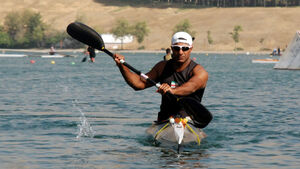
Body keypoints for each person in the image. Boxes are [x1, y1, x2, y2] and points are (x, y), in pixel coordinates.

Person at [114, 32, 208, 124]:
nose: (180, 52)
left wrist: (172, 91)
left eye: (185, 48)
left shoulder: (200, 72)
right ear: (171, 48)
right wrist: (122, 66)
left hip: (189, 120)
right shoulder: (162, 67)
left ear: (191, 49)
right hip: (165, 120)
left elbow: (192, 87)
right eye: (176, 48)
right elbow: (138, 84)